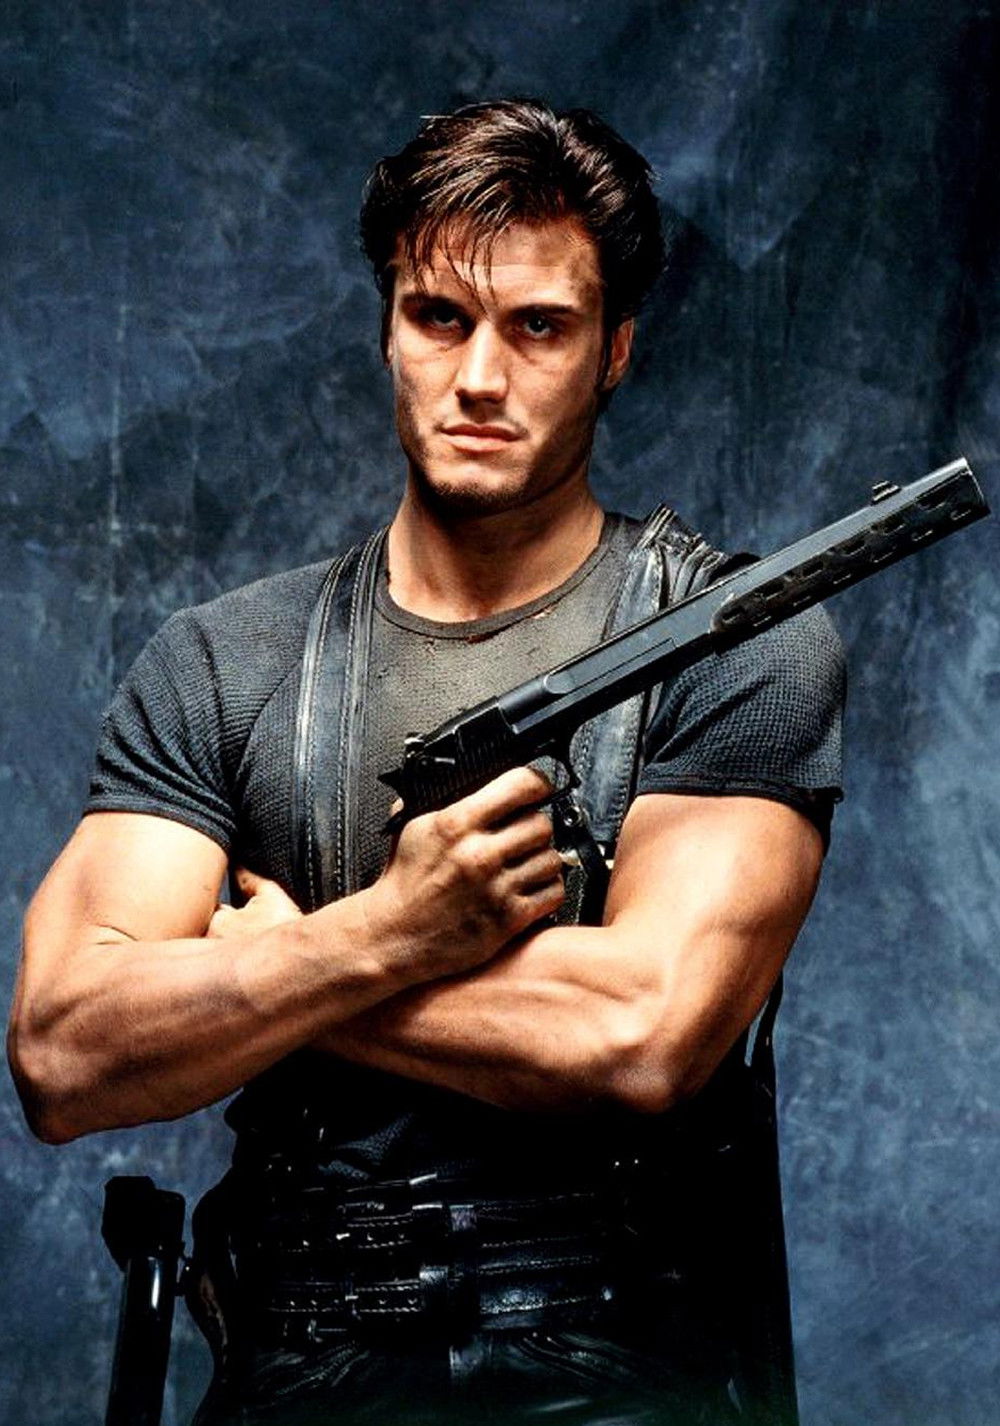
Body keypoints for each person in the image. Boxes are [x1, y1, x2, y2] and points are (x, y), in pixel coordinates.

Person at [9, 100, 844, 1424]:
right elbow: (64, 1049)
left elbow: (640, 1032)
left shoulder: (738, 638)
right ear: (389, 329)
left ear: (616, 350)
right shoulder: (224, 662)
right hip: (295, 1373)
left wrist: (283, 968)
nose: (481, 377)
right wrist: (391, 932)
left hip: (628, 1382)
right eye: (439, 317)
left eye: (540, 327)